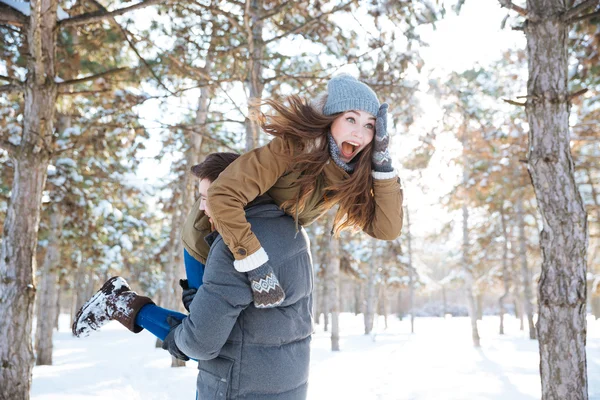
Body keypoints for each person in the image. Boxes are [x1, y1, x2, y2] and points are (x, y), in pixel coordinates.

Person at [72, 152, 314, 399]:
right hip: (287, 385)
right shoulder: (292, 229)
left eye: (207, 198)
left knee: (192, 340)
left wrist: (185, 334)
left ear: (231, 194)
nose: (201, 207)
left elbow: (200, 343)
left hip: (238, 387)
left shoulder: (235, 246)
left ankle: (120, 302)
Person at [183, 74, 403, 309]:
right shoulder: (292, 148)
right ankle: (141, 311)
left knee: (230, 338)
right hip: (210, 235)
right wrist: (255, 265)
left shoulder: (346, 175)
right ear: (329, 119)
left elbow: (386, 229)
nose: (359, 133)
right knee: (202, 333)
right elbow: (222, 195)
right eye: (351, 119)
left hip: (254, 252)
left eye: (369, 125)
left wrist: (382, 166)